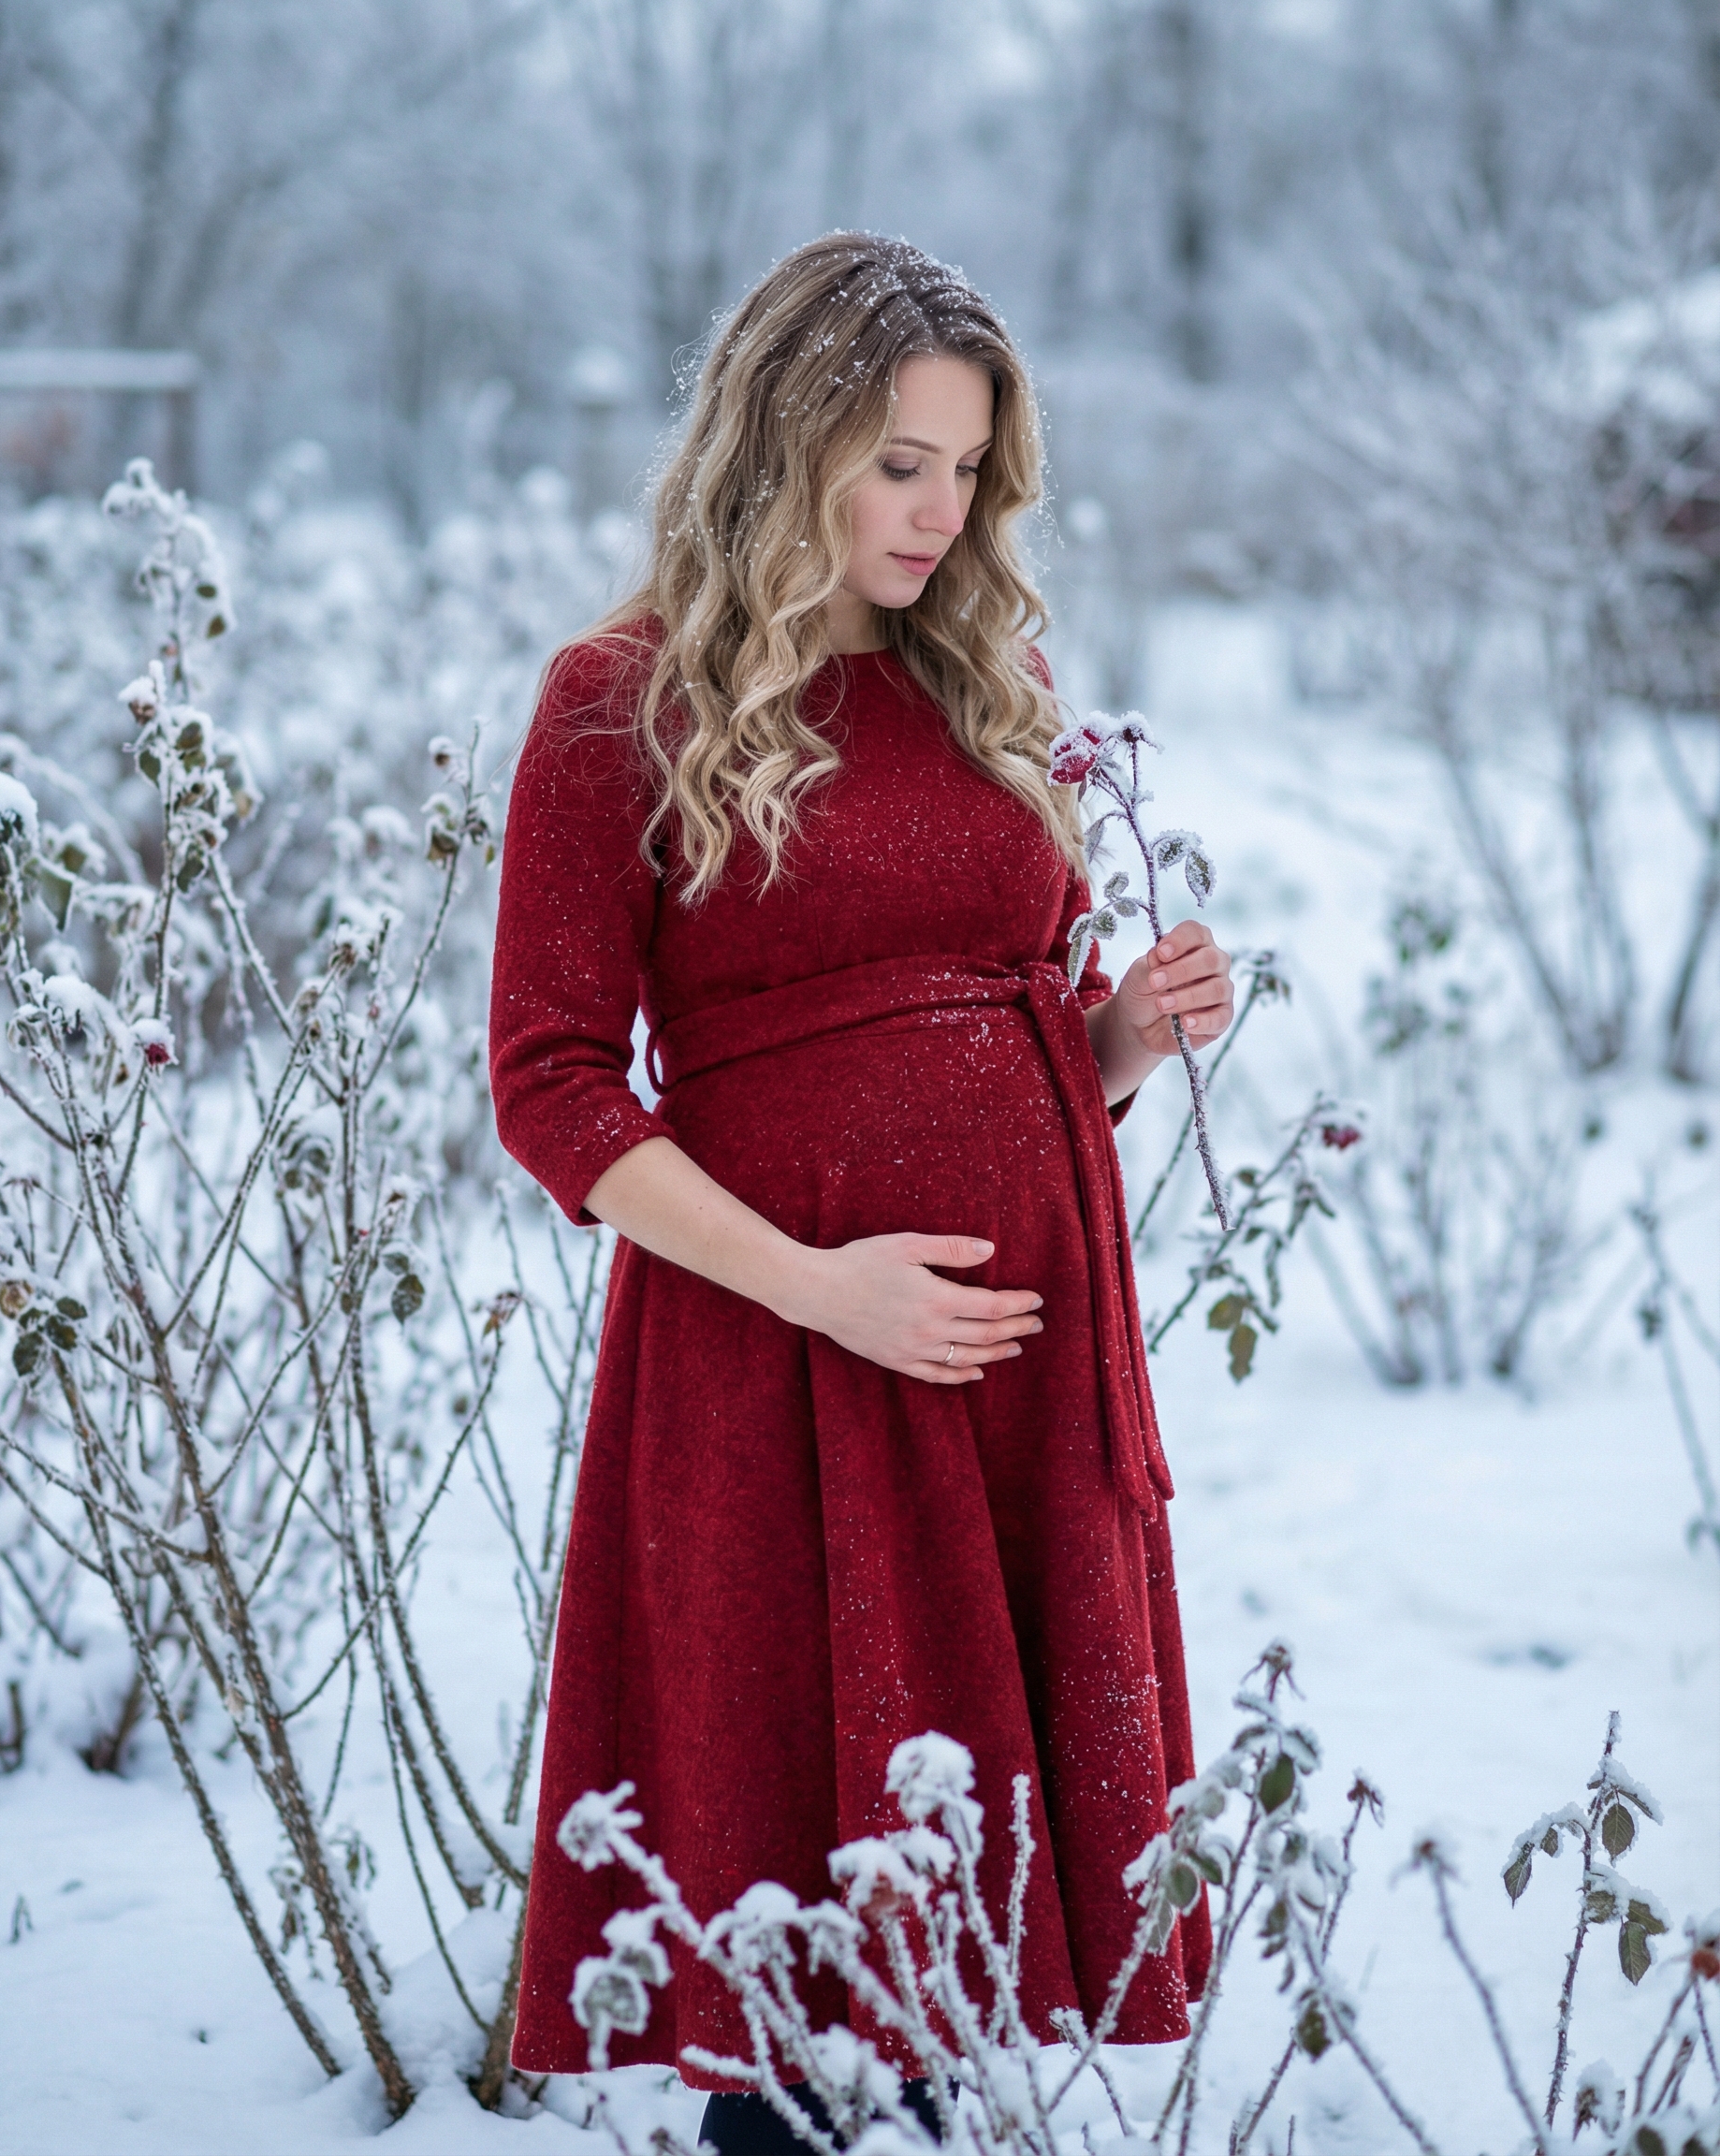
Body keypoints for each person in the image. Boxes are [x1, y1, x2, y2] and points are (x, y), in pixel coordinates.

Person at [488, 232, 1232, 2150]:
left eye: (968, 468)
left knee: (970, 1936)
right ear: (784, 439)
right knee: (804, 1928)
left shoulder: (983, 678)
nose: (938, 509)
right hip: (779, 1370)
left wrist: (1120, 1037)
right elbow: (548, 1086)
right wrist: (820, 1289)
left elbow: (974, 1024)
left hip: (1016, 1372)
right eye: (897, 460)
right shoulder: (616, 700)